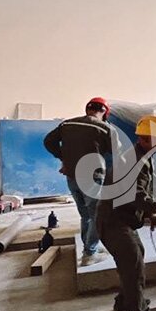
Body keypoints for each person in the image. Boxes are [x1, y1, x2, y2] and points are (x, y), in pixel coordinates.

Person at [96, 114, 156, 311]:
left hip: (122, 219)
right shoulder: (132, 161)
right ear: (144, 139)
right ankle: (136, 310)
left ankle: (125, 300)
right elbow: (135, 196)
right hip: (113, 222)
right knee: (132, 263)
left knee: (135, 257)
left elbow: (145, 191)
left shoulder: (144, 156)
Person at [44, 96, 111, 265]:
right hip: (93, 177)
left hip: (72, 176)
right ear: (104, 112)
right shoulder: (105, 128)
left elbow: (48, 141)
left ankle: (89, 247)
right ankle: (89, 254)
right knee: (97, 216)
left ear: (87, 109)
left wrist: (64, 158)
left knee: (85, 215)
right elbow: (116, 154)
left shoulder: (67, 124)